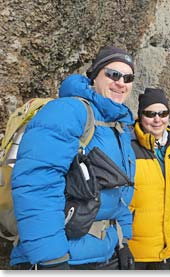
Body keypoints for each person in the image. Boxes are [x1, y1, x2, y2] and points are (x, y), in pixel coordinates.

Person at [10, 45, 137, 270]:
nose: (121, 82)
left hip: (105, 254)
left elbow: (120, 194)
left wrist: (122, 241)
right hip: (66, 257)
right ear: (94, 76)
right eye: (113, 74)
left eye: (128, 77)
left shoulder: (118, 126)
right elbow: (37, 184)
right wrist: (51, 259)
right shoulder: (68, 111)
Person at [128, 88, 170, 270]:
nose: (157, 119)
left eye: (163, 113)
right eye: (150, 114)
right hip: (137, 250)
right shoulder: (128, 145)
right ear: (140, 115)